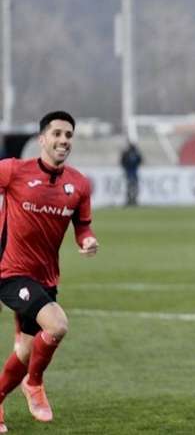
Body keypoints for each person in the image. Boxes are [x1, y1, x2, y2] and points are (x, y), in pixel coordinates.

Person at [0, 111, 99, 432]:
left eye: (68, 135)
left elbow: (83, 227)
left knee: (26, 351)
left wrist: (88, 241)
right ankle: (35, 384)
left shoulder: (79, 184)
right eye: (56, 134)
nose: (63, 141)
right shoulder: (14, 171)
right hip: (10, 272)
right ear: (42, 139)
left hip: (46, 278)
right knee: (56, 325)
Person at [120, 141, 142, 206]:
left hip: (131, 173)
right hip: (131, 173)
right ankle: (131, 200)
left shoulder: (127, 153)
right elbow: (140, 160)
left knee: (131, 187)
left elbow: (122, 161)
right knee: (132, 187)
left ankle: (132, 200)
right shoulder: (134, 153)